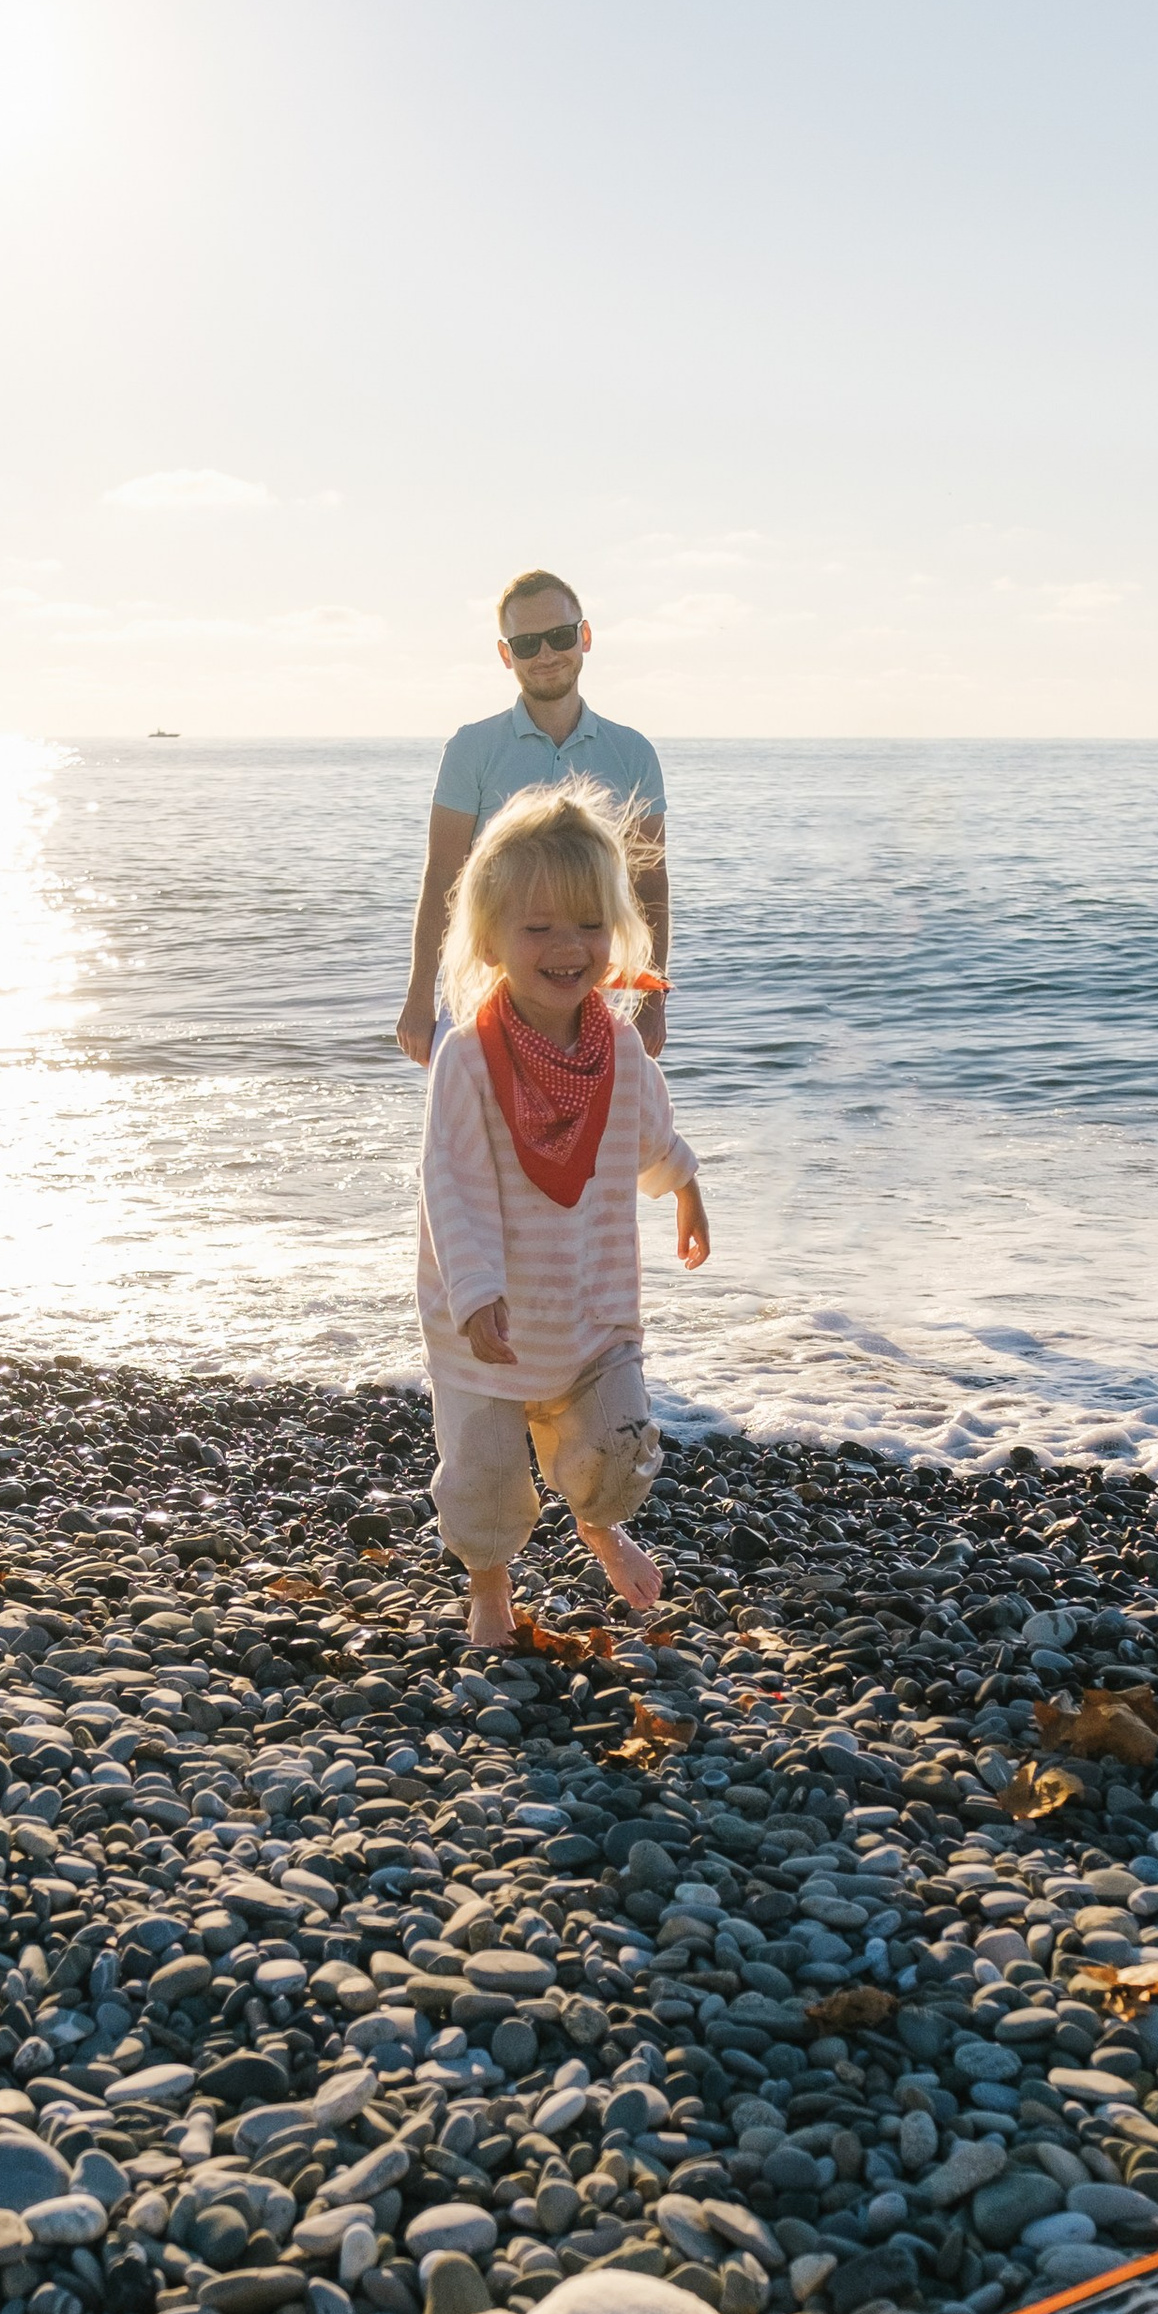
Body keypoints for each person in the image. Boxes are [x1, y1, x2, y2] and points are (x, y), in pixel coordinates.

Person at [417, 779, 708, 1649]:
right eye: (537, 927)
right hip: (488, 1318)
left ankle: (597, 1524)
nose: (566, 946)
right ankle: (491, 1589)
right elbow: (450, 1185)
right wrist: (474, 1289)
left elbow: (654, 1133)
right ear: (492, 939)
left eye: (587, 924)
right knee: (488, 1474)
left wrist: (685, 1186)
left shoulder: (618, 1045)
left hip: (589, 1302)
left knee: (618, 1444)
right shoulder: (467, 1060)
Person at [401, 566, 669, 1065]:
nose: (545, 654)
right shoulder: (470, 749)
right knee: (473, 1137)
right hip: (484, 992)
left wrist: (653, 1001)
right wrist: (418, 996)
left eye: (559, 636)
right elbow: (442, 876)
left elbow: (650, 884)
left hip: (591, 990)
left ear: (584, 637)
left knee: (596, 1140)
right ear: (506, 654)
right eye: (526, 644)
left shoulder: (633, 753)